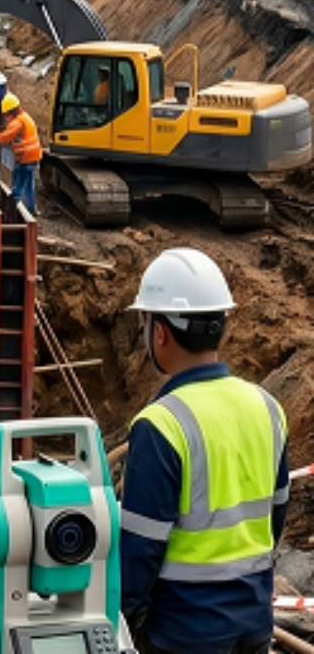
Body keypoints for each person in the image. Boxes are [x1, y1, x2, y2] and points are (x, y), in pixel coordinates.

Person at [121, 248, 288, 654]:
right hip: (253, 628)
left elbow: (138, 553)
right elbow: (275, 519)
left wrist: (124, 625)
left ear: (159, 332)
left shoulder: (160, 424)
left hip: (182, 634)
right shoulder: (267, 407)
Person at [0, 93, 41, 215]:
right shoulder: (26, 117)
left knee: (17, 188)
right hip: (34, 158)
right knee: (29, 186)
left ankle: (8, 213)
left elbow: (7, 135)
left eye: (7, 114)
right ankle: (32, 210)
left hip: (24, 159)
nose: (6, 117)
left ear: (11, 111)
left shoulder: (17, 122)